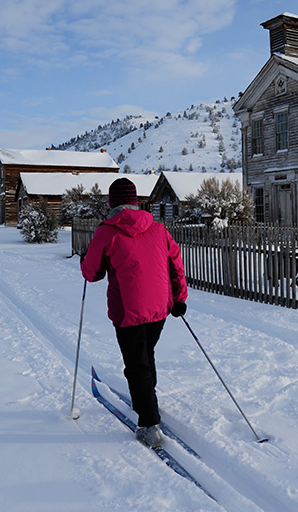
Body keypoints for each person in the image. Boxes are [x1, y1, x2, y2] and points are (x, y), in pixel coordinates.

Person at [81, 177, 188, 447]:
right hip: (160, 308)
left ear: (112, 202)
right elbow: (175, 261)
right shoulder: (158, 228)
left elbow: (92, 273)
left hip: (128, 310)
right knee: (145, 354)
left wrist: (87, 259)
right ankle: (148, 401)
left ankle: (149, 423)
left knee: (136, 363)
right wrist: (179, 298)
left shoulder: (107, 231)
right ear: (136, 200)